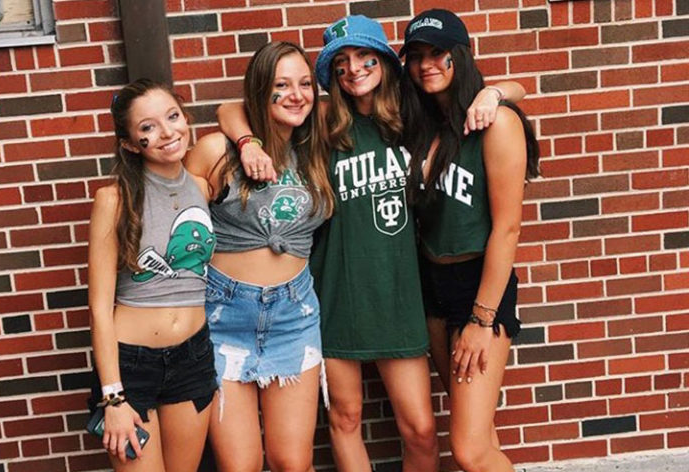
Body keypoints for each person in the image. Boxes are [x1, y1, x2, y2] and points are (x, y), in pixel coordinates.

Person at [217, 15, 525, 472]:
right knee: (345, 418)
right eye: (341, 62)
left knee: (421, 429)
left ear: (384, 61)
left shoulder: (413, 116)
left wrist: (493, 93)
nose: (354, 69)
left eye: (364, 57)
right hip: (336, 290)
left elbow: (509, 91)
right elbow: (234, 108)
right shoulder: (322, 121)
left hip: (401, 293)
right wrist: (247, 143)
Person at [401, 9, 540, 472]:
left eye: (438, 53)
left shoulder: (495, 122)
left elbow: (508, 228)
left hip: (478, 287)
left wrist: (482, 319)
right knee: (479, 432)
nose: (426, 65)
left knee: (468, 449)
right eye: (416, 56)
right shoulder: (422, 125)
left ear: (459, 55)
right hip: (432, 286)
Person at [184, 42, 333, 472]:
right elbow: (176, 224)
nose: (296, 95)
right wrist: (247, 142)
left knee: (293, 462)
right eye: (280, 85)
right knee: (240, 465)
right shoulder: (218, 151)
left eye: (304, 84)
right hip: (223, 318)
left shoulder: (317, 144)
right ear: (260, 90)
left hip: (294, 315)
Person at [87, 79, 218, 472]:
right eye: (148, 127)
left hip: (192, 357)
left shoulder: (202, 188)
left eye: (172, 116)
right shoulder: (113, 200)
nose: (166, 132)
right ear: (130, 144)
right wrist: (113, 397)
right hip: (130, 367)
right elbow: (99, 309)